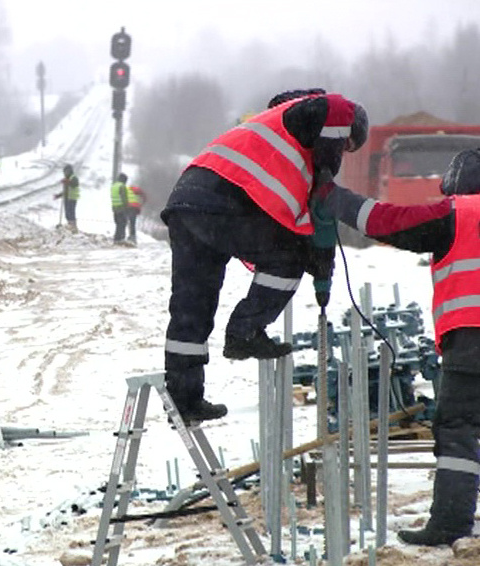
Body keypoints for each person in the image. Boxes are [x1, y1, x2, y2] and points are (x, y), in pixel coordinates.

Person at [160, 89, 369, 422]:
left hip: (187, 203)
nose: (342, 152)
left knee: (191, 309)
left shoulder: (278, 134)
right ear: (348, 128)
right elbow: (321, 199)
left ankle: (184, 400)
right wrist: (318, 258)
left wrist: (320, 254)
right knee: (288, 259)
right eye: (347, 145)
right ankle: (245, 331)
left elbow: (304, 218)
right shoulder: (335, 110)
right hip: (221, 202)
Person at [312, 148, 480, 547]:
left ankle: (450, 524)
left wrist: (331, 196)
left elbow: (385, 221)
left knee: (458, 428)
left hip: (472, 339)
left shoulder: (459, 212)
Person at [54, 164, 80, 233]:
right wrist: (58, 195)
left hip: (72, 197)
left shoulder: (73, 177)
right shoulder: (67, 179)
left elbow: (75, 184)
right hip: (67, 198)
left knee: (71, 212)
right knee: (67, 213)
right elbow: (65, 191)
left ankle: (73, 226)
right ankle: (69, 225)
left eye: (66, 172)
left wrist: (67, 182)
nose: (65, 173)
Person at [111, 172, 132, 244]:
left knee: (117, 223)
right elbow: (124, 198)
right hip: (121, 208)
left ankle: (116, 238)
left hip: (115, 208)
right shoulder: (122, 186)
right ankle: (121, 239)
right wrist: (127, 207)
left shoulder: (114, 186)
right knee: (122, 223)